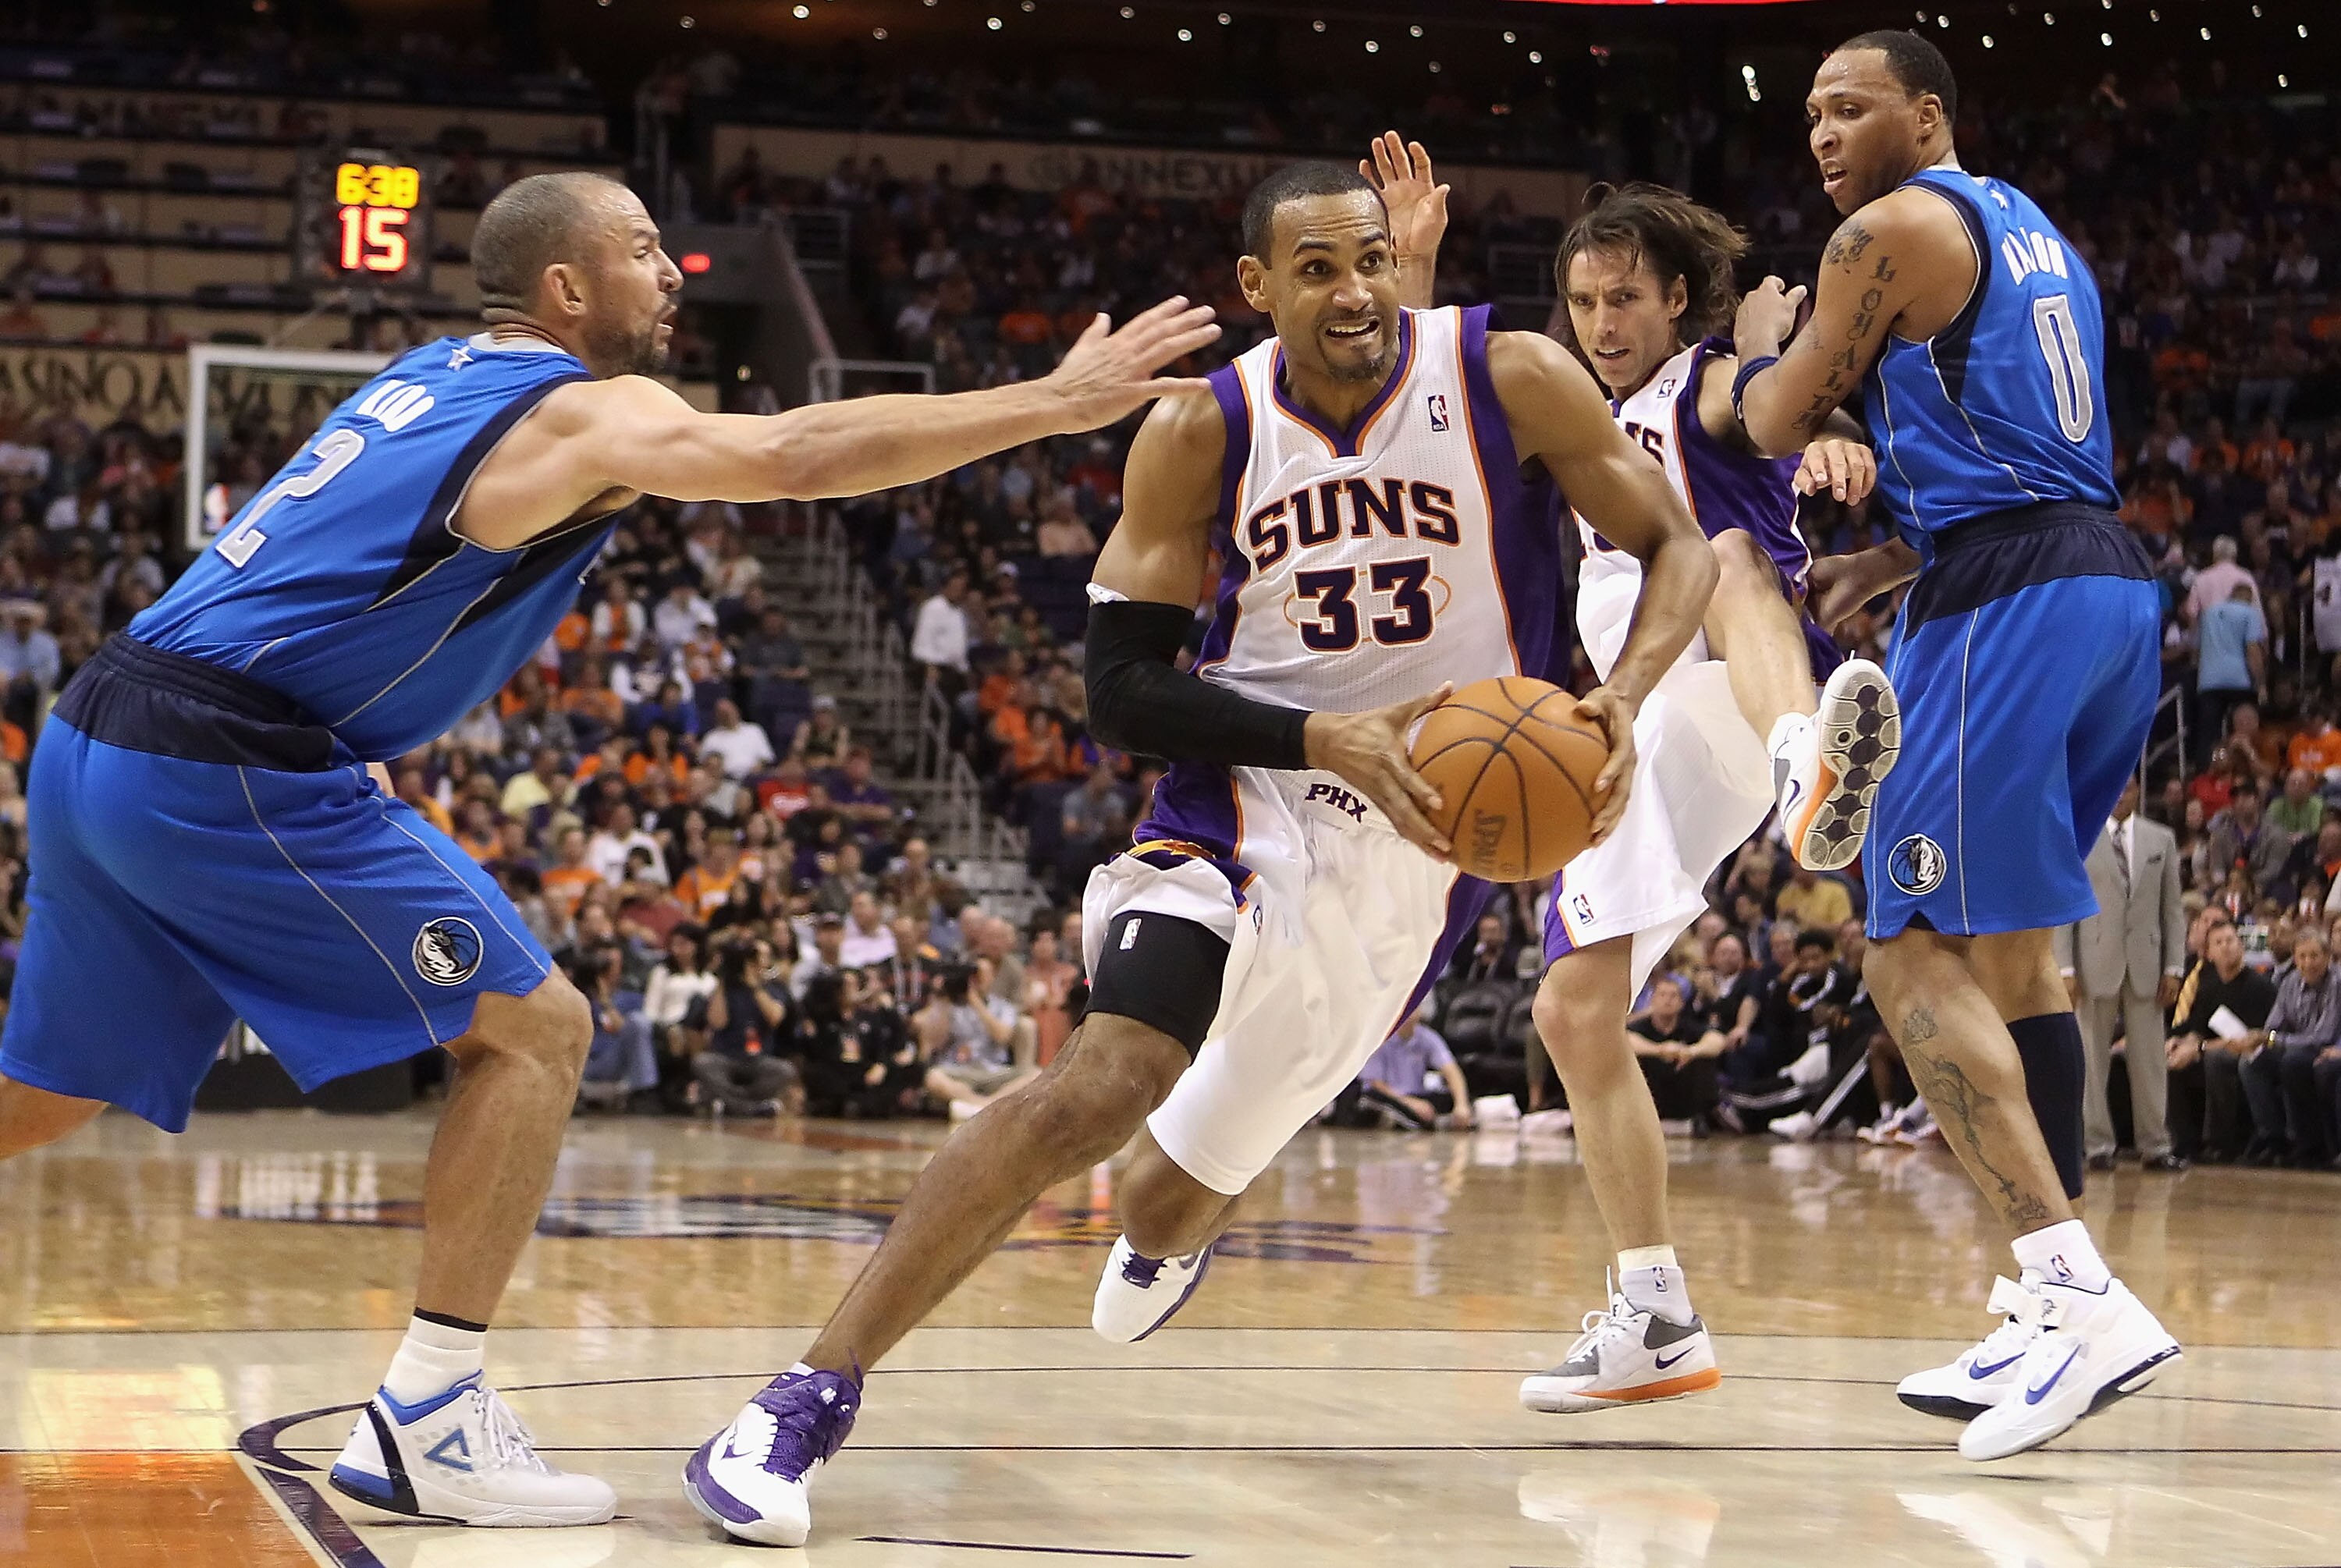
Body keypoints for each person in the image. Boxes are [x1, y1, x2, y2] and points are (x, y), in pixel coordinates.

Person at [0, 169, 1219, 1531]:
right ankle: (429, 1418)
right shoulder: (584, 407)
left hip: (101, 729)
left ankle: (430, 1418)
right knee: (537, 1031)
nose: (675, 272)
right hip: (220, 760)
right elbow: (792, 459)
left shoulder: (430, 372)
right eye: (644, 250)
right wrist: (1054, 403)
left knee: (50, 1088)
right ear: (566, 288)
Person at [684, 159, 1716, 1546]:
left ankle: (1175, 1225)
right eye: (1316, 268)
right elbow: (1118, 691)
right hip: (1240, 807)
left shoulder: (1511, 374)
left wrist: (1622, 702)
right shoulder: (1199, 428)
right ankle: (801, 1402)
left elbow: (1676, 549)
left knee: (1166, 1194)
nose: (1352, 289)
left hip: (1423, 853)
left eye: (1369, 259)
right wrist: (1317, 739)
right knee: (1098, 1088)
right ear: (1258, 286)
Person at [1732, 31, 2180, 1461]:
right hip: (2093, 578)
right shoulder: (2029, 226)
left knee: (1899, 945)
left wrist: (1757, 337)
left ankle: (2073, 1286)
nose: (1822, 129)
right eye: (1809, 111)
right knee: (2010, 960)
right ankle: (2046, 1302)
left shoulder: (1886, 229)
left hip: (2012, 601)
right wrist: (1910, 563)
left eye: (1849, 105)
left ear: (1926, 114)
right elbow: (2008, 440)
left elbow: (1771, 415)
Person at [1394, 161, 1896, 1409]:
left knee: (1722, 552)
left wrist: (1831, 444)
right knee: (1570, 1015)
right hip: (1639, 724)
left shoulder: (1709, 380)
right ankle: (1656, 1313)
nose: (1602, 323)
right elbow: (1419, 411)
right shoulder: (1568, 415)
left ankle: (1810, 761)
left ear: (1680, 302)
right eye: (1581, 301)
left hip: (1746, 680)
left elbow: (1778, 402)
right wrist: (1410, 273)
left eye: (1624, 298)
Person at [2054, 777, 2187, 1172]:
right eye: (2115, 787)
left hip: (2146, 961)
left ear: (2139, 793)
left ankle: (2156, 1145)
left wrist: (2175, 966)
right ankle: (2097, 1146)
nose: (2119, 794)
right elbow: (2067, 907)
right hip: (2094, 959)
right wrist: (2065, 967)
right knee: (2091, 1058)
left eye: (2127, 788)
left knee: (2149, 1059)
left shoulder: (2160, 839)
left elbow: (2173, 911)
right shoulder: (2081, 836)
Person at [1344, 1001, 1472, 1130]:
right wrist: (1409, 1103)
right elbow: (1375, 1084)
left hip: (1416, 1094)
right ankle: (1414, 1122)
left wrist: (1461, 1104)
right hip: (1387, 1096)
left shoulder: (1427, 1037)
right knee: (1369, 1100)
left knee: (1453, 1097)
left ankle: (1416, 1121)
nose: (1410, 1014)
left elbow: (1451, 1070)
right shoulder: (1379, 1040)